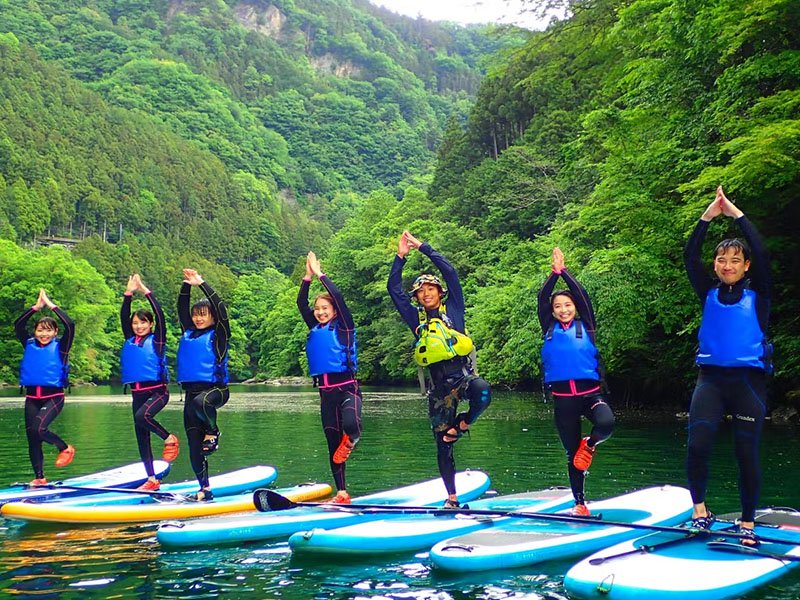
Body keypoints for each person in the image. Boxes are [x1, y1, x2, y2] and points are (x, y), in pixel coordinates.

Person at [684, 185, 772, 547]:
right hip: (711, 380)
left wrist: (736, 213)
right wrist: (707, 216)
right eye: (722, 260)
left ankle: (747, 523)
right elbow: (690, 256)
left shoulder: (760, 293)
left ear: (745, 265)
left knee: (745, 453)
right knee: (697, 445)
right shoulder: (707, 290)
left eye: (735, 260)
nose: (727, 265)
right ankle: (700, 512)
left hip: (748, 383)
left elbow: (764, 253)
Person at [387, 230, 491, 508]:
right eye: (421, 292)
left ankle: (463, 424)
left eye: (430, 289)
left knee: (483, 391)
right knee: (442, 446)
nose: (426, 294)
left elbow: (451, 272)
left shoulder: (454, 310)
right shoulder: (416, 319)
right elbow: (394, 290)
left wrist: (423, 247)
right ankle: (452, 498)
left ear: (439, 292)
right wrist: (400, 257)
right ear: (418, 299)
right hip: (438, 388)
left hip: (462, 378)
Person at [538, 247, 614, 517]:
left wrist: (565, 273)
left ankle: (590, 443)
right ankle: (579, 503)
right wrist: (552, 275)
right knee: (573, 455)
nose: (563, 309)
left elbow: (582, 296)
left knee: (606, 423)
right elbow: (542, 298)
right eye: (558, 306)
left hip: (590, 395)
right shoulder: (549, 327)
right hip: (563, 400)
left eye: (567, 305)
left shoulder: (587, 326)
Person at [298, 251, 362, 504]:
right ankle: (342, 492)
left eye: (325, 308)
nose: (320, 312)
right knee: (332, 443)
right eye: (318, 309)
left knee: (351, 427)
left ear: (334, 311)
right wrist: (306, 277)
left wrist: (319, 273)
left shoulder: (344, 326)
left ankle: (353, 439)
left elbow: (338, 296)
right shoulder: (314, 327)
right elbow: (300, 304)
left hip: (347, 388)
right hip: (325, 394)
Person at [121, 274, 179, 491]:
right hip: (137, 394)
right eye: (135, 323)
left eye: (143, 322)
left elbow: (160, 315)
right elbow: (123, 315)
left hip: (158, 392)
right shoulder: (129, 339)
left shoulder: (157, 340)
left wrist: (145, 290)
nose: (138, 326)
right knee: (141, 436)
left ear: (150, 324)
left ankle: (169, 437)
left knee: (142, 416)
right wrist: (128, 293)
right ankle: (152, 479)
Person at [176, 268, 230, 501]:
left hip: (215, 391)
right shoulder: (189, 332)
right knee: (193, 445)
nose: (198, 318)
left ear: (212, 317)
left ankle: (213, 431)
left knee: (202, 402)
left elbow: (221, 309)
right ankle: (204, 489)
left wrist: (202, 284)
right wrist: (187, 285)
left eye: (203, 314)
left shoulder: (219, 335)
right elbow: (181, 308)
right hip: (191, 395)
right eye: (195, 314)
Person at [15, 288, 75, 484]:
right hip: (32, 398)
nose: (44, 334)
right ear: (35, 331)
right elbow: (18, 324)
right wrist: (35, 307)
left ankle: (64, 448)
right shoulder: (29, 344)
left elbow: (70, 324)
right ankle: (39, 478)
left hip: (54, 397)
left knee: (40, 428)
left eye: (49, 330)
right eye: (40, 329)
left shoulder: (61, 347)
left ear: (55, 332)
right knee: (33, 437)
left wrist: (50, 304)